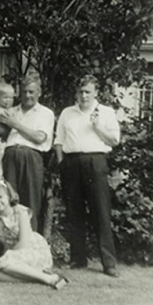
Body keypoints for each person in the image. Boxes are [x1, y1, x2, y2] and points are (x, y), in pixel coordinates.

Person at [54, 75, 121, 278]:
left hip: (96, 161)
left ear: (96, 93)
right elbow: (59, 141)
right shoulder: (67, 113)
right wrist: (62, 164)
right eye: (81, 92)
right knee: (74, 212)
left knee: (100, 211)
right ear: (76, 93)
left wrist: (97, 126)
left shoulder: (106, 113)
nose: (84, 95)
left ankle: (109, 263)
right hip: (71, 162)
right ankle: (78, 259)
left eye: (88, 92)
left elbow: (115, 140)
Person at [0, 73, 55, 234]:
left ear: (39, 92)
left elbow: (39, 137)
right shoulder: (10, 111)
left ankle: (30, 245)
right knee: (8, 200)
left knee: (31, 202)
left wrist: (15, 124)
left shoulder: (45, 113)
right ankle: (8, 245)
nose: (27, 95)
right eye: (25, 91)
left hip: (32, 158)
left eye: (31, 92)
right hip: (10, 157)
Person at [0, 180, 67, 289]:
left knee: (1, 265)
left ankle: (50, 279)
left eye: (0, 197)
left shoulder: (21, 212)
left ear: (9, 197)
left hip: (33, 248)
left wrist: (8, 256)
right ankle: (44, 278)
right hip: (13, 253)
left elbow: (24, 242)